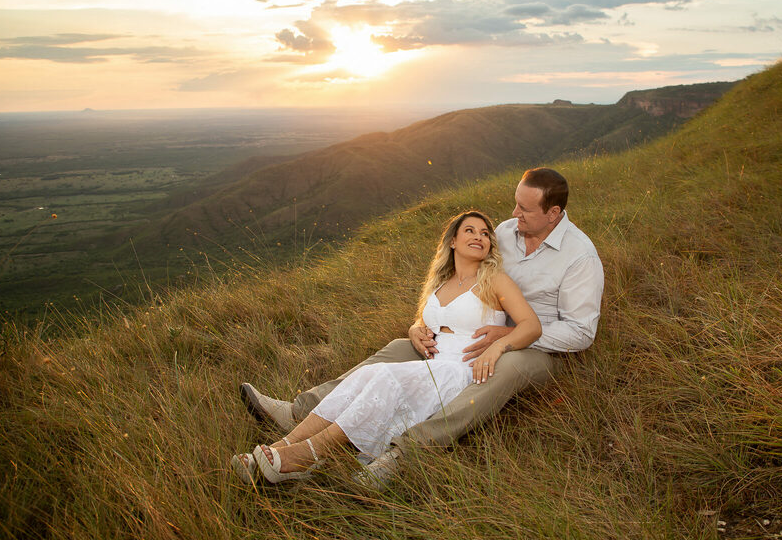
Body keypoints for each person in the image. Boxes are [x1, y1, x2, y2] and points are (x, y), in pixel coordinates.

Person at [239, 167, 604, 487]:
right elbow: (464, 284)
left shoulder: (580, 256)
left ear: (553, 213)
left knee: (503, 367)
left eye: (524, 209)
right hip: (475, 331)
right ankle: (301, 411)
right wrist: (419, 326)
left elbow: (581, 332)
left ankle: (405, 452)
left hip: (541, 347)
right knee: (399, 349)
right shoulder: (508, 232)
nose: (513, 214)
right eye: (515, 204)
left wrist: (507, 337)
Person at [231, 210, 542, 484]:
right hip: (431, 364)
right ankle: (282, 447)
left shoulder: (494, 280)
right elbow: (425, 322)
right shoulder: (440, 282)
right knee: (365, 375)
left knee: (384, 376)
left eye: (485, 233)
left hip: (461, 369)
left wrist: (498, 347)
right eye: (470, 231)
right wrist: (414, 329)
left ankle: (307, 456)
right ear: (452, 241)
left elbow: (531, 325)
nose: (479, 237)